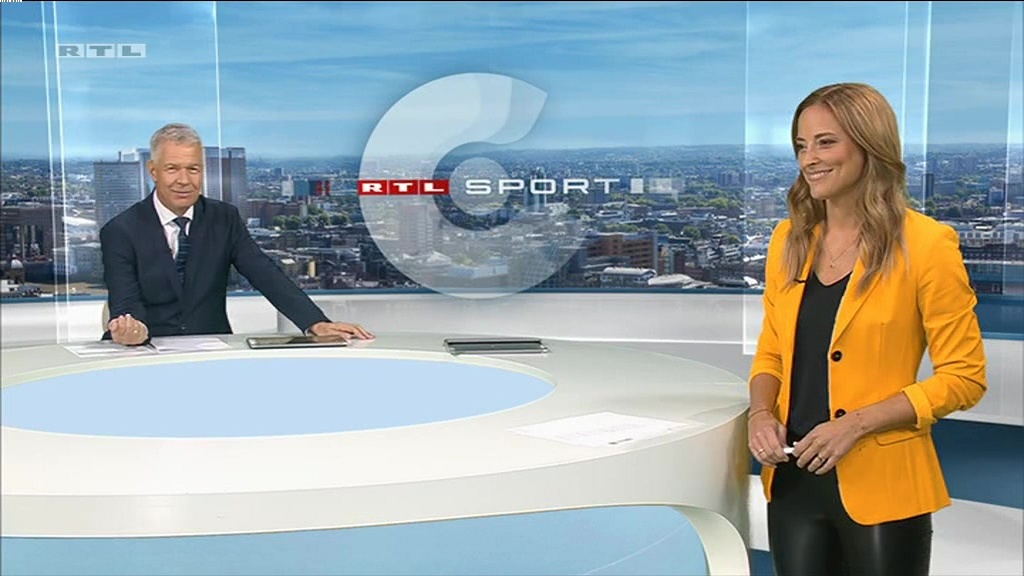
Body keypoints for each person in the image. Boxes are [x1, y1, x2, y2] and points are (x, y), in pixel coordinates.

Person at [747, 83, 987, 576]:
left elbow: (965, 377)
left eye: (826, 142)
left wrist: (854, 425)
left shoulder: (926, 244)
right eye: (801, 145)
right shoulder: (788, 240)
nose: (809, 159)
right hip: (793, 480)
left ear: (868, 146)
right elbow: (772, 352)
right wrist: (760, 414)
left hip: (883, 482)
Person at [101, 123, 373, 346]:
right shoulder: (120, 230)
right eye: (172, 168)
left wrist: (314, 322)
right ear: (153, 171)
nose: (183, 180)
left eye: (193, 169)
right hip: (146, 349)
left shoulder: (223, 218)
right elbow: (125, 300)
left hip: (212, 349)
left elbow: (265, 274)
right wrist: (132, 329)